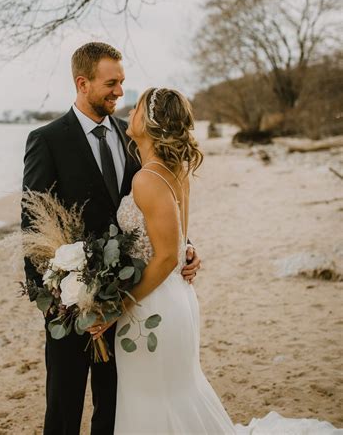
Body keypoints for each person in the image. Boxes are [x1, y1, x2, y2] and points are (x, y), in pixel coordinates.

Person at [86, 87, 342, 435]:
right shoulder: (172, 170)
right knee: (172, 393)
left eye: (138, 108)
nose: (129, 112)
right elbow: (177, 243)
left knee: (153, 398)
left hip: (153, 307)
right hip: (174, 297)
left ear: (151, 122)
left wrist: (117, 307)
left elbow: (163, 259)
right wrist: (188, 251)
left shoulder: (148, 178)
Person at [21, 44, 200, 435]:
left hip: (128, 302)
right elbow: (33, 229)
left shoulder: (134, 135)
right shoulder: (47, 139)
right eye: (111, 83)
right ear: (82, 83)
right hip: (71, 306)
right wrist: (58, 303)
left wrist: (185, 247)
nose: (120, 92)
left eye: (122, 82)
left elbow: (159, 207)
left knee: (117, 408)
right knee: (65, 408)